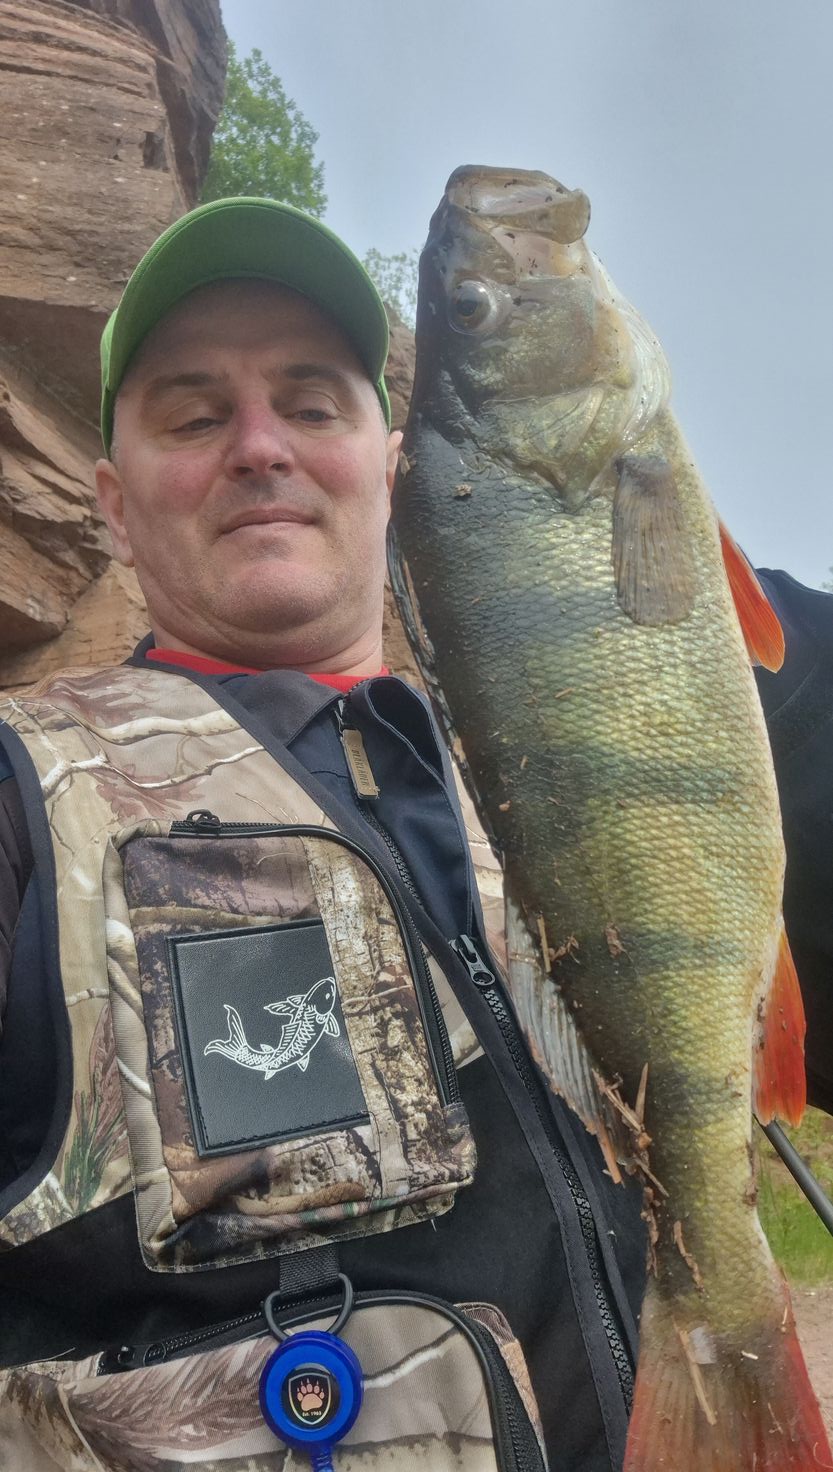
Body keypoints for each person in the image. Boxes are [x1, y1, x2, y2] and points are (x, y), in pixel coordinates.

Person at [0, 196, 828, 1472]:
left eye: (311, 402)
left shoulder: (553, 762)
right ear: (112, 504)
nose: (260, 446)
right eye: (195, 415)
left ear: (391, 467)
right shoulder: (22, 795)